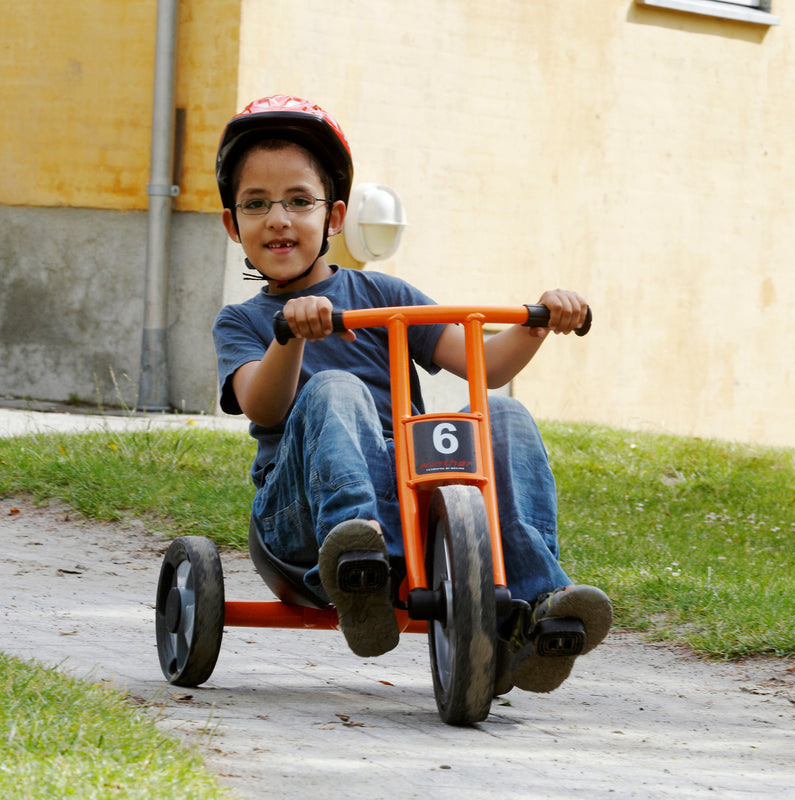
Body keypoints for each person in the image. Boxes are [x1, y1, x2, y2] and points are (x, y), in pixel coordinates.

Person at [212, 95, 612, 695]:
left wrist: (536, 322)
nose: (278, 218)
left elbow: (484, 365)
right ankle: (356, 565)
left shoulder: (381, 293)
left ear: (335, 216)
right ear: (232, 223)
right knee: (335, 388)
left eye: (299, 200)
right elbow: (263, 406)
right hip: (299, 523)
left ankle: (536, 606)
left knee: (500, 413)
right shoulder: (242, 322)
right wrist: (289, 336)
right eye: (257, 204)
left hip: (412, 507)